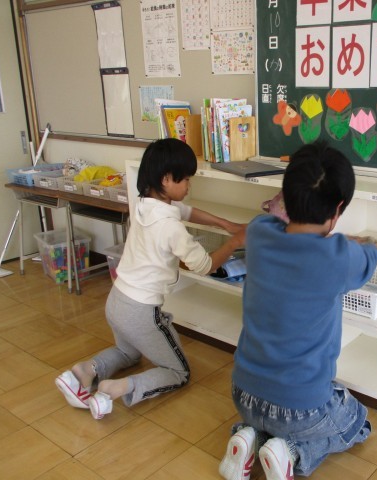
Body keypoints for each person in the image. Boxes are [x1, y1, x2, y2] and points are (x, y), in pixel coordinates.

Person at [219, 142, 377, 479]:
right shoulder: (340, 257)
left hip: (242, 393)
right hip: (299, 408)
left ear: (286, 195)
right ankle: (291, 452)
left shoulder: (258, 232)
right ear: (338, 209)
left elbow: (287, 232)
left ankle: (248, 437)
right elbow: (370, 254)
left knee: (290, 411)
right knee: (357, 423)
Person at [55, 138, 246, 420]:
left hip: (116, 300)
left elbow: (186, 210)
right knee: (178, 372)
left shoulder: (145, 205)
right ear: (166, 179)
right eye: (186, 180)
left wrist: (226, 224)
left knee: (128, 353)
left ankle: (86, 371)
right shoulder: (171, 227)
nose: (189, 186)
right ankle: (116, 388)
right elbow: (204, 266)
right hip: (141, 311)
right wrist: (235, 242)